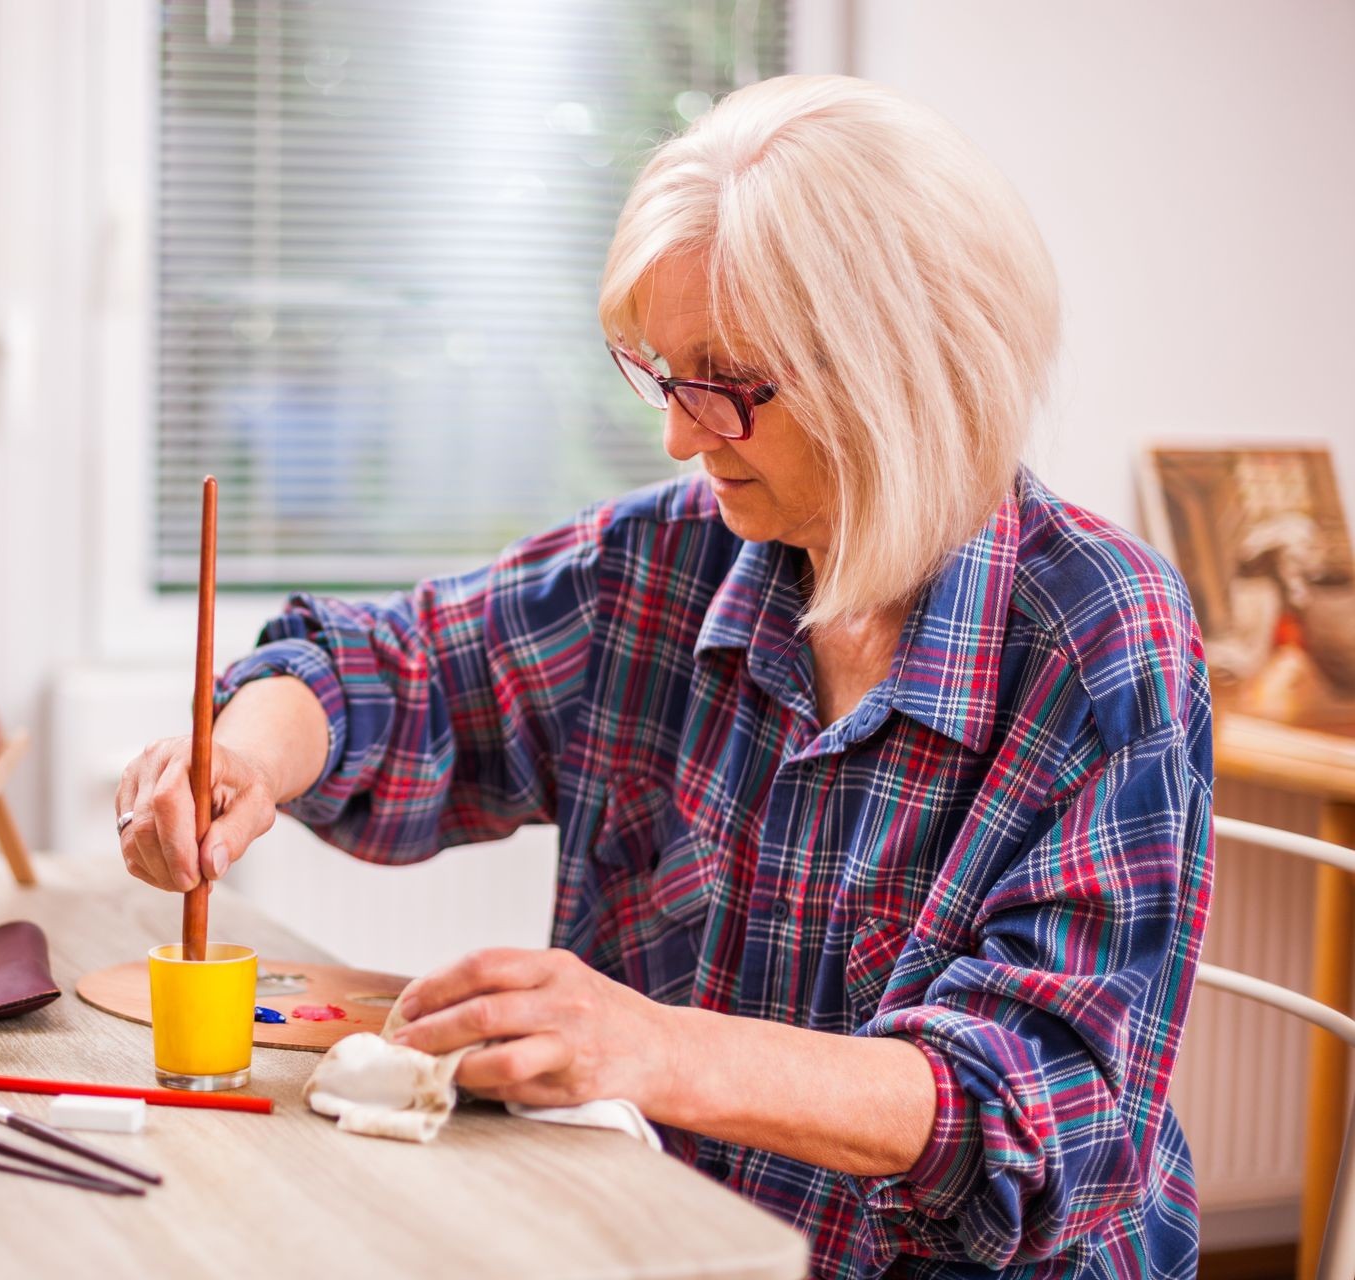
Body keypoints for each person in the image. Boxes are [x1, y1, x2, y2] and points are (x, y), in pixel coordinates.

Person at [115, 74, 1210, 1279]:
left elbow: (1039, 1112)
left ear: (903, 371)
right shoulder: (670, 555)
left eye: (727, 382)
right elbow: (400, 669)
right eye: (663, 373)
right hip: (655, 1246)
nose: (682, 435)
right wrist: (254, 750)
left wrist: (651, 1047)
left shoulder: (1100, 636)